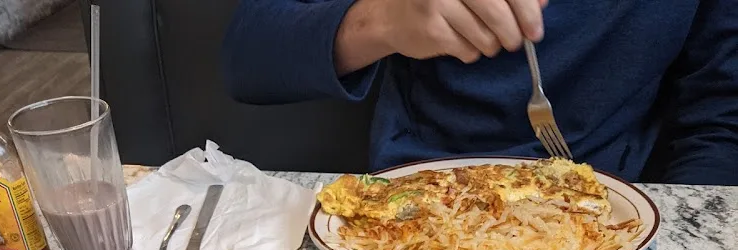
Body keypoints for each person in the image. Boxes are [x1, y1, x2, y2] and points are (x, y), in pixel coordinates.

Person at [223, 0, 738, 184]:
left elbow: (721, 120)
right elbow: (249, 57)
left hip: (614, 205)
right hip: (417, 193)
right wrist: (384, 19)